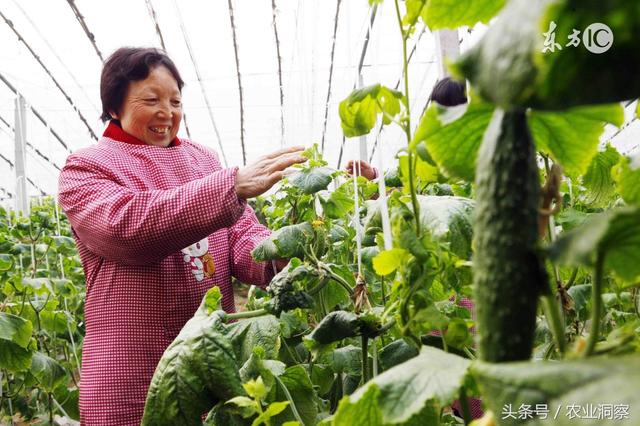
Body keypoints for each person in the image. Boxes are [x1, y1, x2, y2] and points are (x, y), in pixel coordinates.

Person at [58, 47, 305, 425]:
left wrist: (285, 248)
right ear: (113, 107)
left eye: (175, 101)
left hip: (212, 356)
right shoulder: (86, 168)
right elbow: (127, 229)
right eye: (151, 100)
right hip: (132, 364)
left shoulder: (203, 160)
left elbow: (240, 237)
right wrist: (231, 187)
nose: (167, 113)